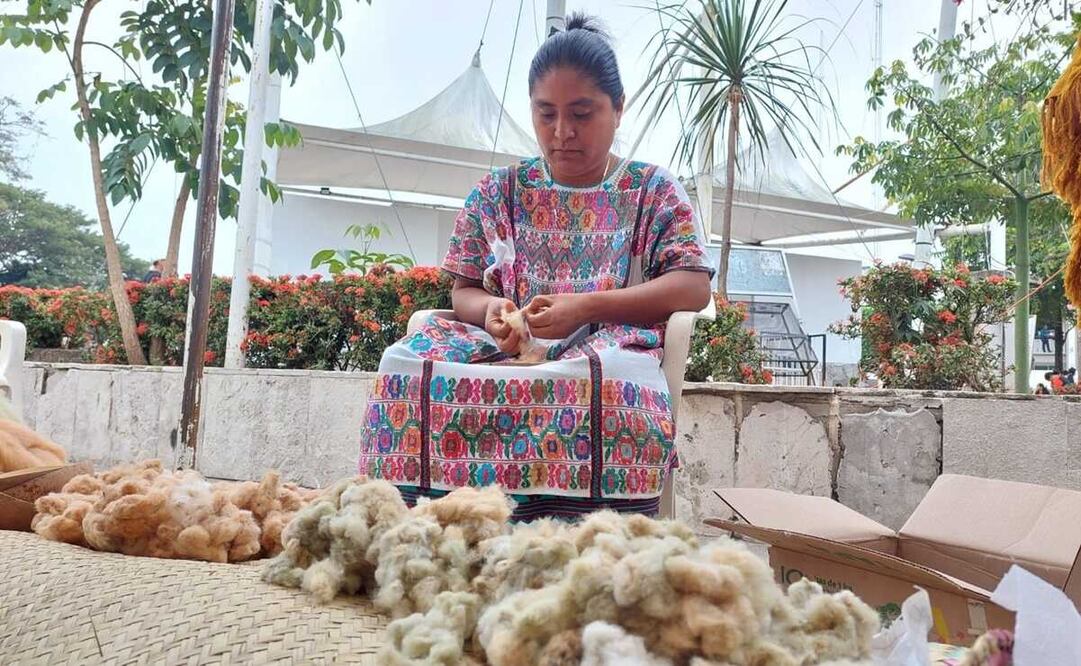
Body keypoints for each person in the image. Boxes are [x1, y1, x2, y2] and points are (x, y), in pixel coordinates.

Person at [358, 14, 713, 521]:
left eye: (582, 113)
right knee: (402, 363)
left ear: (618, 108)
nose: (562, 132)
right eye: (546, 114)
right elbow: (464, 290)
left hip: (604, 348)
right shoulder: (498, 191)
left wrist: (585, 308)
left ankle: (594, 532)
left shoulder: (653, 190)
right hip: (499, 349)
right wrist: (493, 313)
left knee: (610, 382)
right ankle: (421, 522)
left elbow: (693, 286)